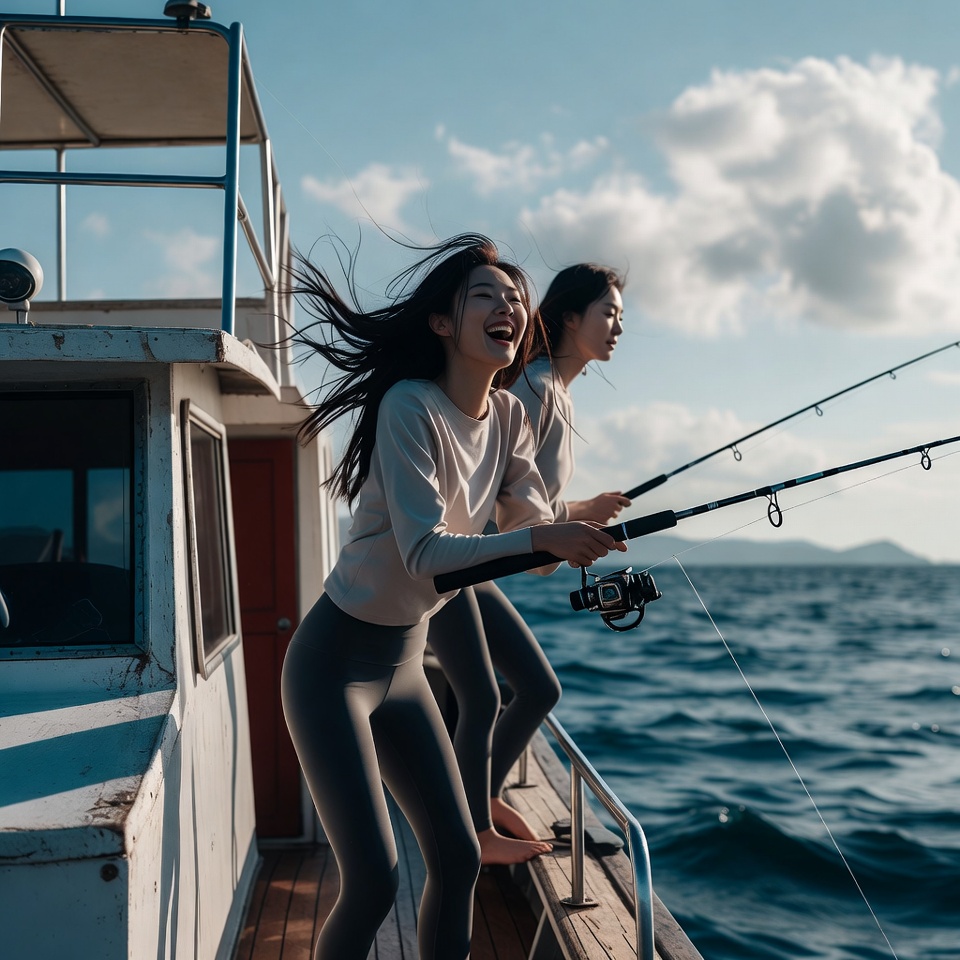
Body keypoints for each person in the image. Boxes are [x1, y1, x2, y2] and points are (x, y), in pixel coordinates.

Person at [280, 235, 626, 960]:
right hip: (333, 664)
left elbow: (531, 544)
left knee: (460, 857)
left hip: (405, 665)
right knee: (374, 880)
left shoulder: (510, 418)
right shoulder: (410, 406)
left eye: (516, 297)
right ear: (442, 322)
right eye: (486, 295)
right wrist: (545, 538)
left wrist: (567, 536)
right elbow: (426, 556)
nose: (510, 306)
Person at [427, 262, 631, 865]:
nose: (618, 327)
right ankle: (470, 828)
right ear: (570, 316)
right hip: (454, 562)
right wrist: (562, 530)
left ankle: (482, 800)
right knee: (490, 696)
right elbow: (492, 498)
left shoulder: (556, 394)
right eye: (608, 313)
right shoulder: (534, 389)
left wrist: (581, 511)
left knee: (536, 688)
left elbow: (525, 501)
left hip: (480, 564)